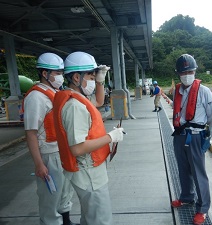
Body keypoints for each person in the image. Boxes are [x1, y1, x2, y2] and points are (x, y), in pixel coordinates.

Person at [52, 51, 125, 225]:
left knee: (90, 218)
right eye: (91, 77)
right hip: (88, 173)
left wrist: (100, 81)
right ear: (77, 77)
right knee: (100, 220)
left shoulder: (78, 98)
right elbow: (77, 148)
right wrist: (110, 137)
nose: (93, 81)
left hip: (90, 171)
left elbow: (98, 101)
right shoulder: (75, 106)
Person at [23, 53, 78, 225]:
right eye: (57, 72)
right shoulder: (36, 97)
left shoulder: (55, 92)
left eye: (61, 72)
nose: (60, 76)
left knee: (65, 192)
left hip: (62, 150)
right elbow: (31, 133)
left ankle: (66, 221)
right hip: (49, 154)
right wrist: (39, 164)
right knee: (50, 197)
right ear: (45, 74)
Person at [171, 54, 212, 225]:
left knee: (199, 173)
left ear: (194, 71)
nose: (186, 75)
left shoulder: (204, 91)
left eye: (189, 71)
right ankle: (186, 197)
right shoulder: (177, 91)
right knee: (182, 170)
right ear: (178, 74)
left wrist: (209, 137)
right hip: (179, 135)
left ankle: (203, 208)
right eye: (183, 72)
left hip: (196, 136)